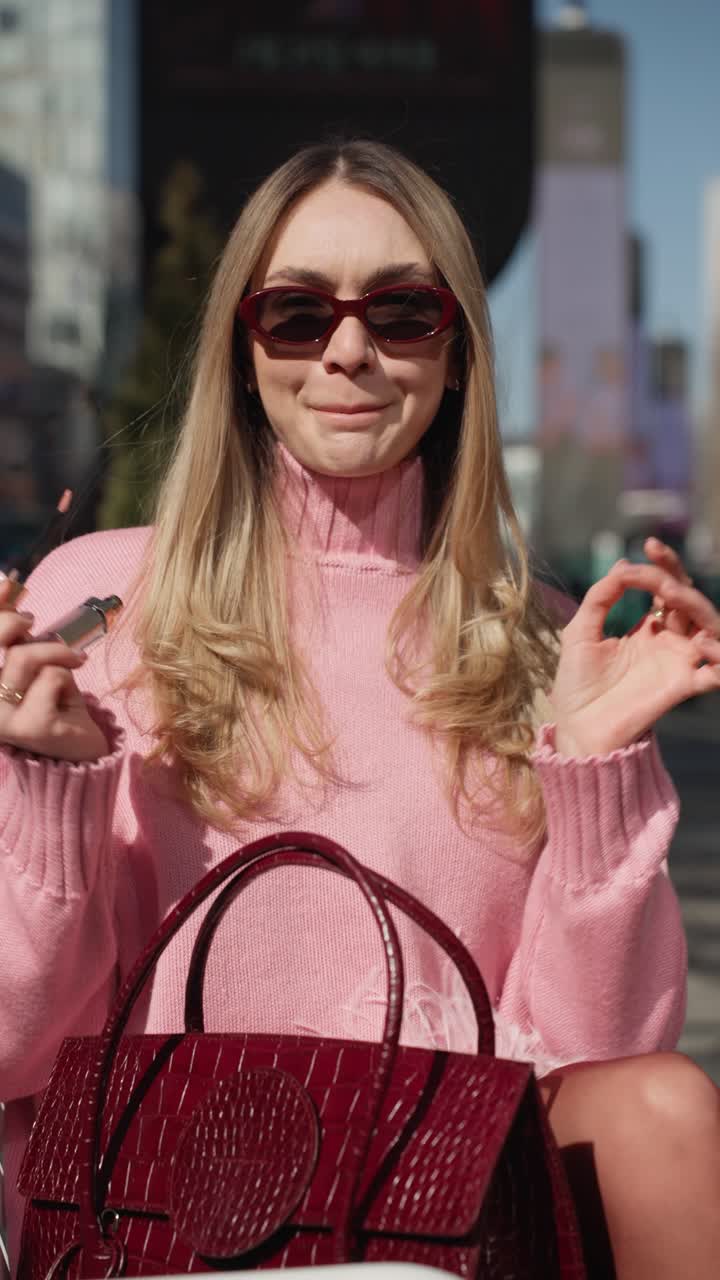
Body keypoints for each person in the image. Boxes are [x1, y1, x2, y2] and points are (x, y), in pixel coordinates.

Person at [0, 139, 719, 1279]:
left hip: (441, 1218)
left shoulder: (540, 634)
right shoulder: (96, 600)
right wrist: (49, 789)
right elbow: (15, 1052)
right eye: (294, 312)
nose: (348, 350)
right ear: (243, 347)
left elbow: (598, 1062)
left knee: (670, 1107)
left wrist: (589, 767)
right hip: (162, 1212)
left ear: (454, 350)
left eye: (400, 310)